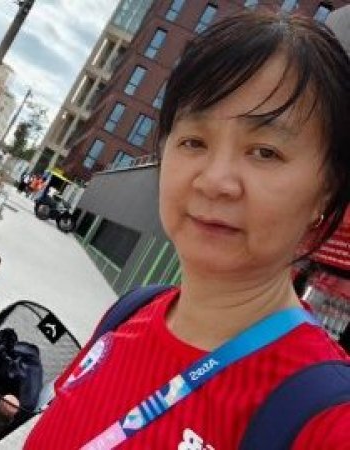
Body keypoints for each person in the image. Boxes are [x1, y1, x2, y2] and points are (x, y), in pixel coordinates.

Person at [25, 12, 350, 450]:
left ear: (326, 191)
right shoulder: (131, 311)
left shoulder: (328, 421)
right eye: (194, 142)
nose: (214, 181)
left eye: (265, 152)